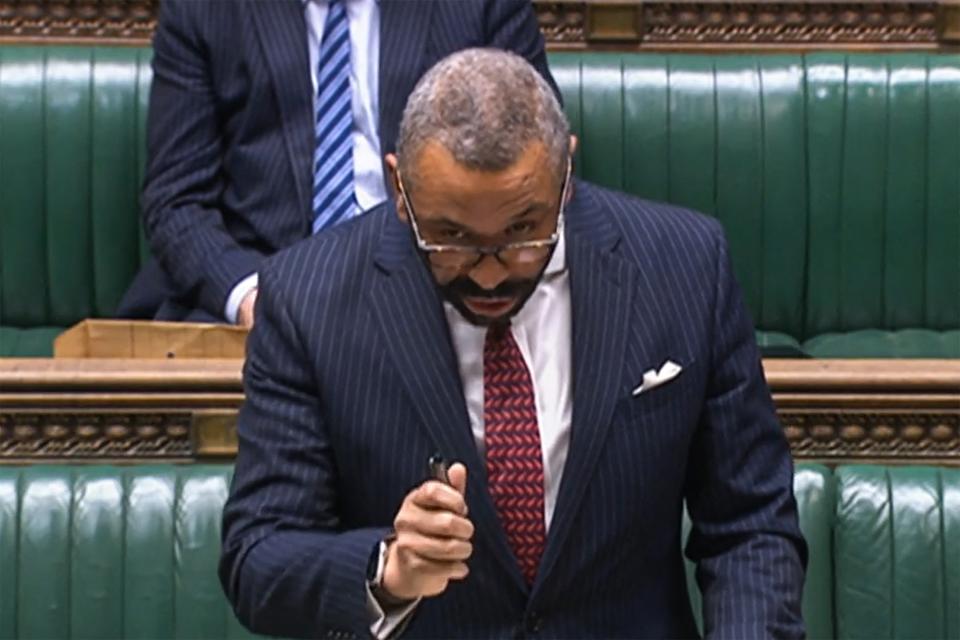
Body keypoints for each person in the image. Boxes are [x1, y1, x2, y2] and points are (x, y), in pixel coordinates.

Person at [219, 49, 807, 639]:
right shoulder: (308, 299)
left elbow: (749, 524)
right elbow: (258, 556)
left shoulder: (684, 267)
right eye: (450, 238)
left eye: (525, 232)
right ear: (399, 188)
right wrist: (387, 569)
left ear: (566, 177)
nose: (492, 274)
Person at [117, 0, 557, 326]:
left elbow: (539, 164)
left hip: (440, 282)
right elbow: (176, 200)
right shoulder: (208, 10)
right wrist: (251, 296)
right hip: (266, 285)